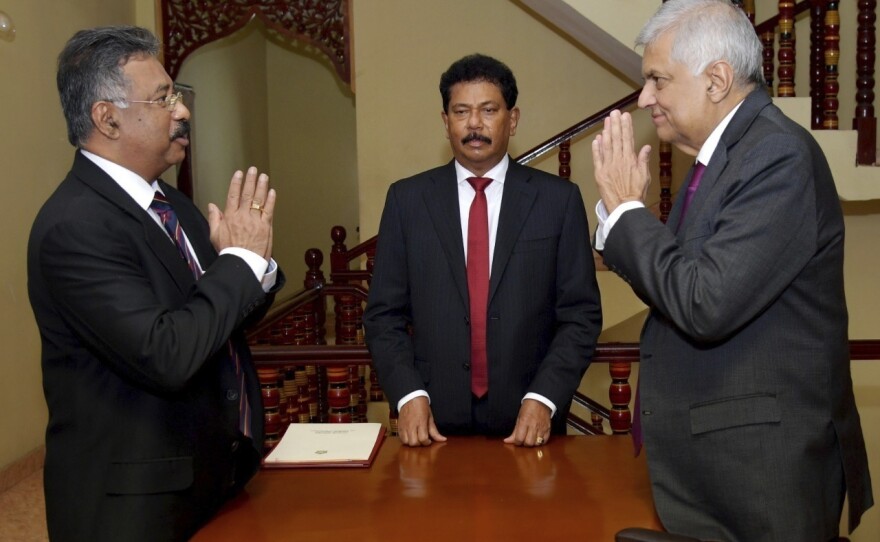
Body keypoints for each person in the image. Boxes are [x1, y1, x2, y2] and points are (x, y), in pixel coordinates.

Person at [590, 1, 873, 540]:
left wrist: (628, 214)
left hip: (761, 475)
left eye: (657, 79)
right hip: (717, 469)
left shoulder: (776, 156)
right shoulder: (724, 158)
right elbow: (680, 281)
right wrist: (622, 222)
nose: (645, 96)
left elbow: (704, 303)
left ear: (716, 79)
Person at [28, 26, 284, 541]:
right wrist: (236, 261)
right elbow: (166, 354)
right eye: (164, 98)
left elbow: (212, 321)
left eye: (177, 95)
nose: (183, 111)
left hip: (205, 479)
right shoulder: (75, 226)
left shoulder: (169, 203)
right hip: (131, 507)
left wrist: (254, 264)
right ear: (108, 118)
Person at [364, 53, 602, 447]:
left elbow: (581, 315)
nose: (474, 124)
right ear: (445, 122)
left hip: (530, 424)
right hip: (432, 425)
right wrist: (408, 394)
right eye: (461, 111)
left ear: (513, 118)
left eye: (488, 110)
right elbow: (383, 316)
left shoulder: (557, 201)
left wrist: (544, 398)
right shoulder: (407, 201)